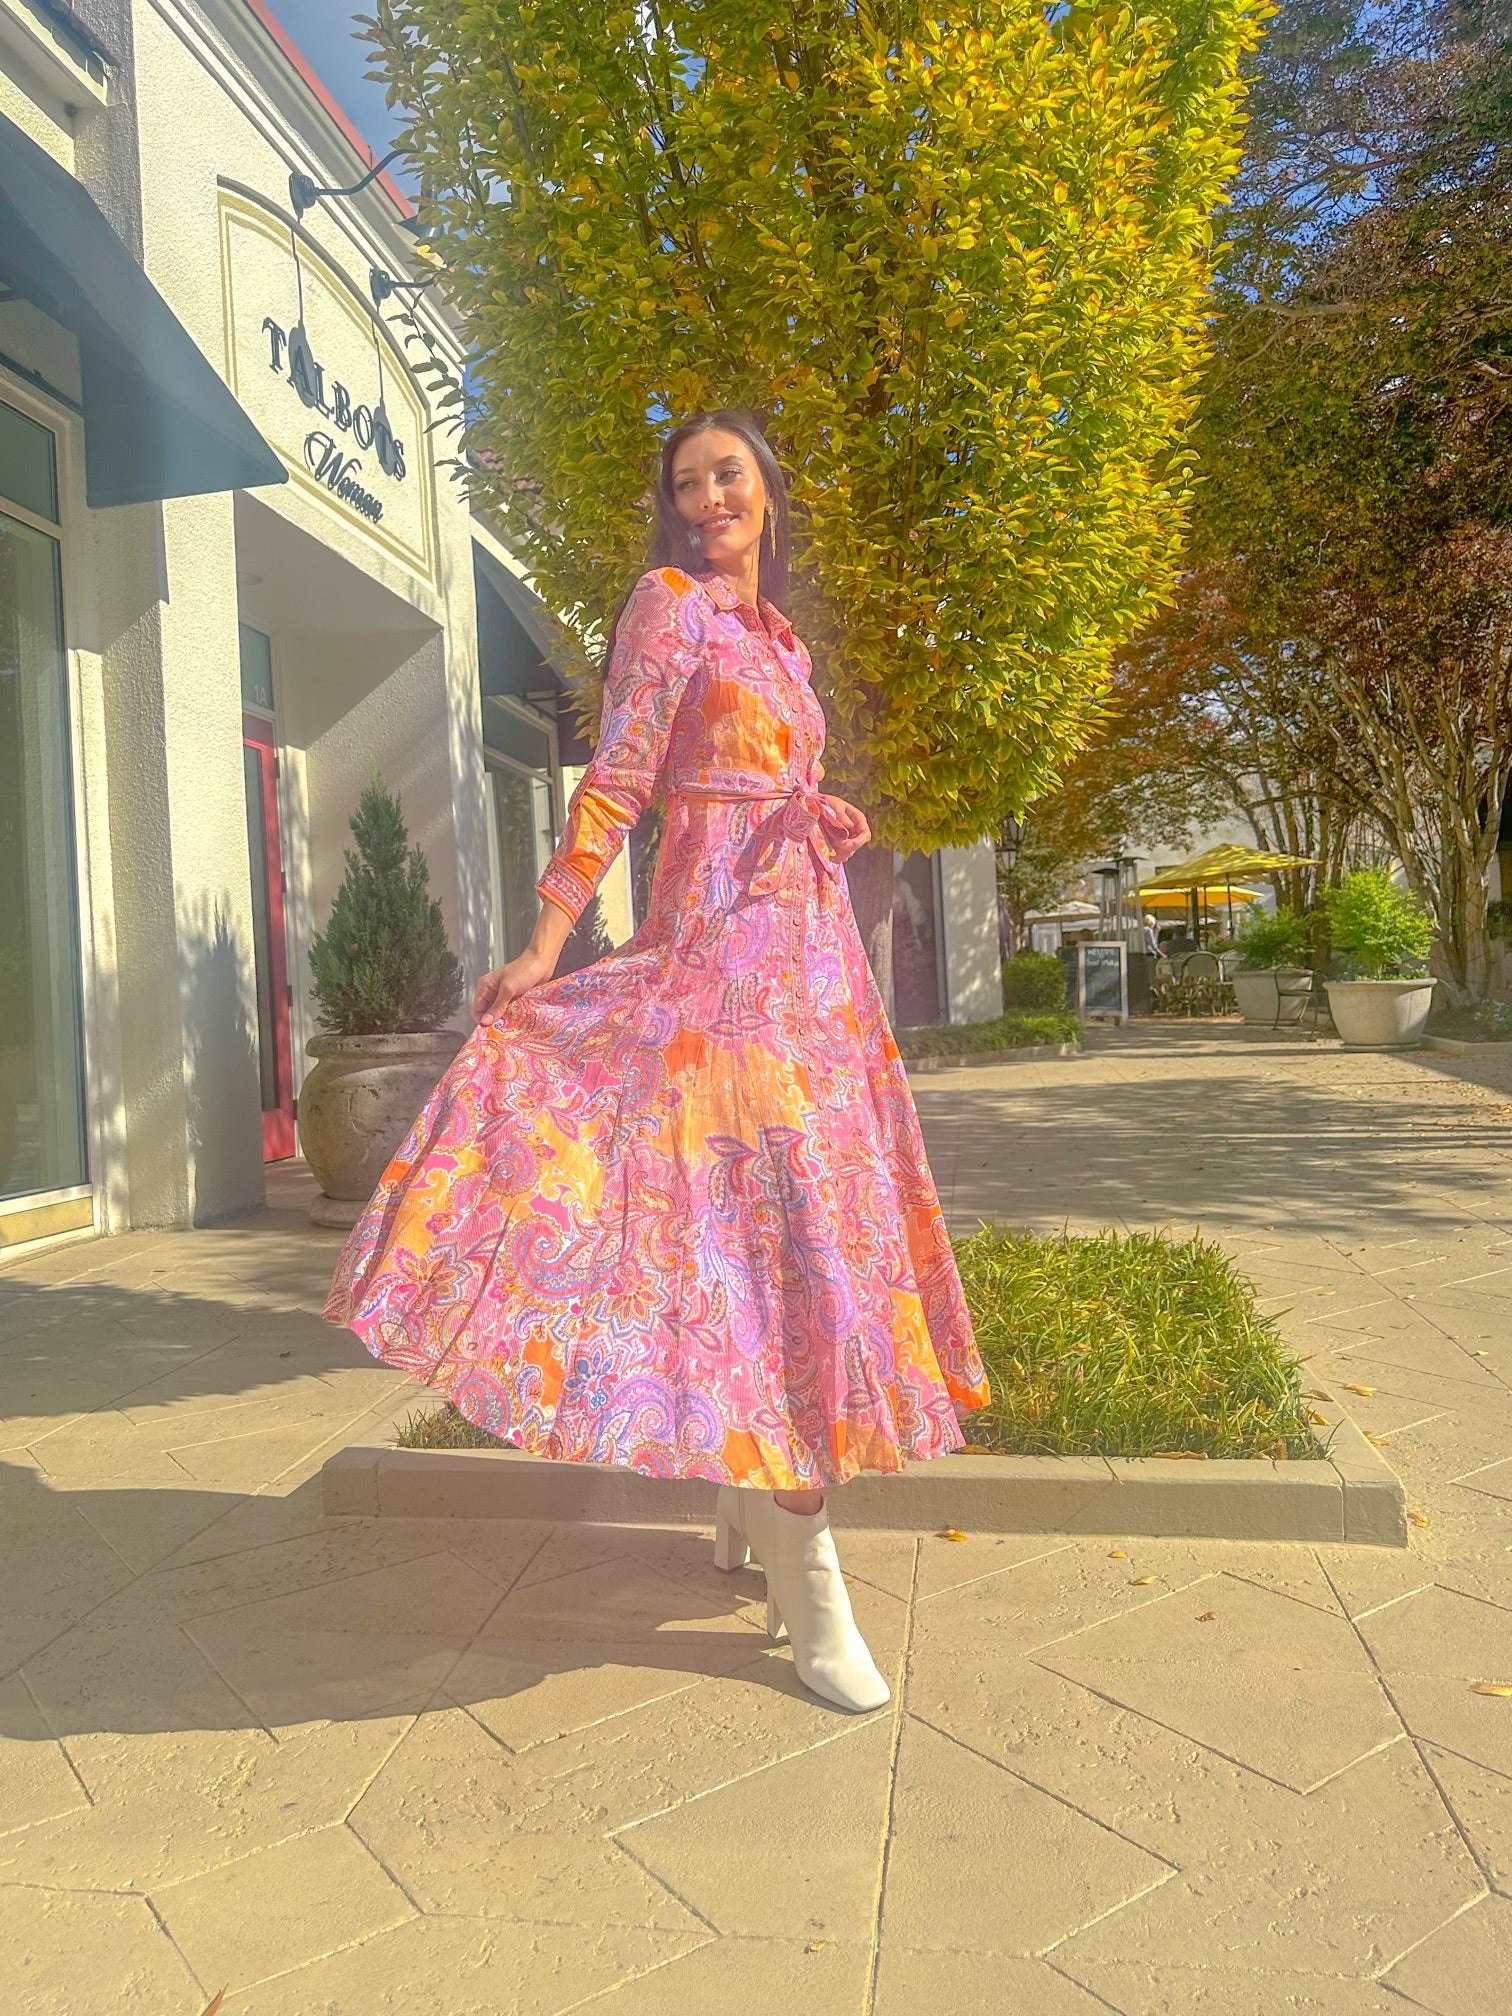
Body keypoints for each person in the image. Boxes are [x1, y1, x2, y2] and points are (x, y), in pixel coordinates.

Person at [325, 410, 989, 1713]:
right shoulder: (669, 605)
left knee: (792, 1248)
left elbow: (765, 783)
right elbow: (617, 780)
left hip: (813, 981)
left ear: (768, 488)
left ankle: (756, 1504)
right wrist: (545, 942)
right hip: (719, 982)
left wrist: (822, 819)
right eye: (686, 483)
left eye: (726, 473)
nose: (707, 498)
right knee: (781, 1257)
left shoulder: (780, 642)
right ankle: (812, 1583)